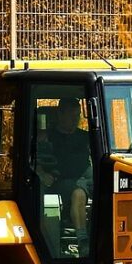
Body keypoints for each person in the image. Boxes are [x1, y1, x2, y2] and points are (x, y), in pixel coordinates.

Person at [37, 97, 91, 252]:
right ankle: (83, 240)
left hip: (86, 178)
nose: (75, 119)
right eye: (71, 115)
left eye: (78, 115)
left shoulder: (86, 137)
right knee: (78, 193)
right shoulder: (46, 137)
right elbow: (33, 160)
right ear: (60, 114)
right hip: (60, 181)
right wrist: (41, 173)